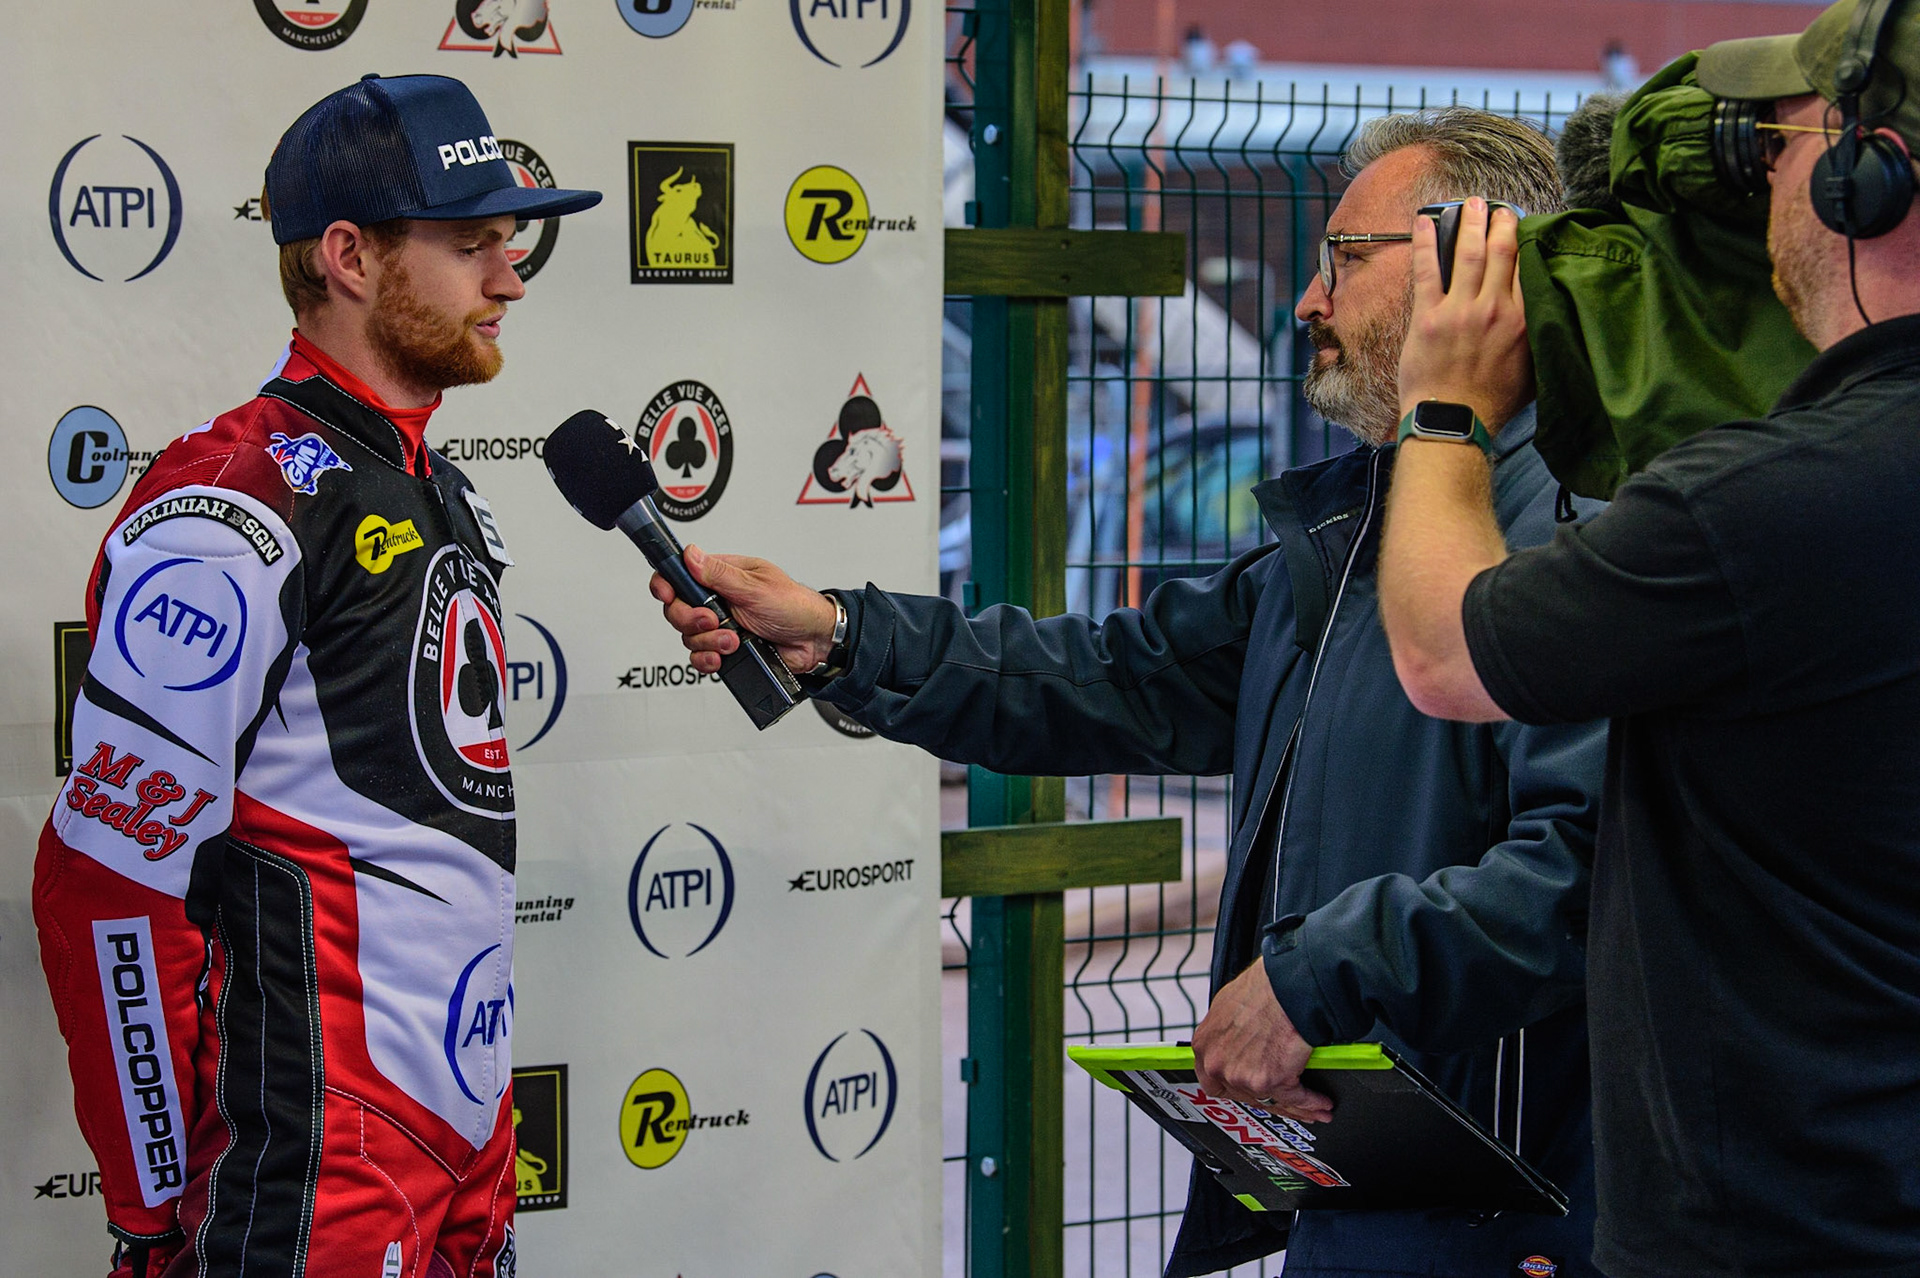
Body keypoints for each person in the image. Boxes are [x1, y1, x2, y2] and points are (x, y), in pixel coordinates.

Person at [659, 109, 1609, 1278]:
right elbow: (1112, 674)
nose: (1307, 302)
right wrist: (845, 636)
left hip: (1532, 1226)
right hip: (1367, 1196)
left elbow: (1587, 868)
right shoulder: (1361, 524)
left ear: (1480, 270)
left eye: (1344, 261)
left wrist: (1313, 978)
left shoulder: (1585, 531)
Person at [1376, 3, 1920, 1275]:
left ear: (1868, 173)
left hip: (1787, 1236)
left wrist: (1445, 404)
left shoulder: (1774, 506)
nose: (1761, 180)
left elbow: (1445, 656)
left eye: (1780, 148)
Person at [33, 73, 598, 1278]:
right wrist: (148, 1207)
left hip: (462, 1140)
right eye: (469, 243)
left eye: (510, 241)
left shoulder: (433, 483)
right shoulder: (232, 501)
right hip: (312, 1174)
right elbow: (107, 887)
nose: (510, 276)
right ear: (347, 255)